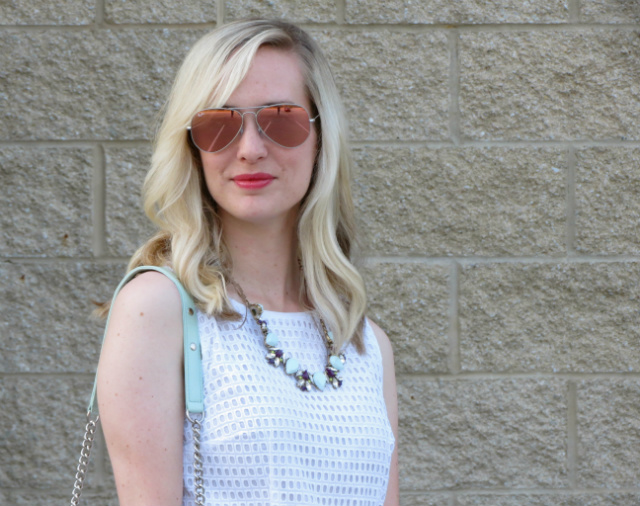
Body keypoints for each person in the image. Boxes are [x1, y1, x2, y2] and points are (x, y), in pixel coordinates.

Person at [96, 18, 399, 506]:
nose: (251, 149)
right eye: (219, 124)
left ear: (321, 138)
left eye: (282, 119)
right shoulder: (158, 310)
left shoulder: (364, 342)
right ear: (192, 148)